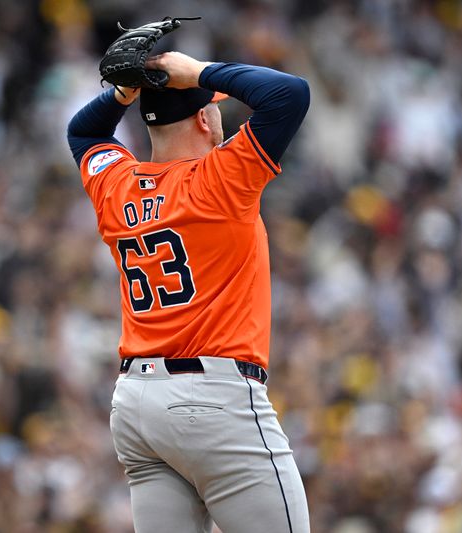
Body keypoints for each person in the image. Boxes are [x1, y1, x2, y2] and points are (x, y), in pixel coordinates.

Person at [66, 52, 311, 533]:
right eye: (214, 104)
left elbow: (84, 133)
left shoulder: (117, 185)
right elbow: (290, 93)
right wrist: (196, 70)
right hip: (214, 401)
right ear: (204, 117)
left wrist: (122, 94)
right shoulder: (222, 179)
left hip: (137, 406)